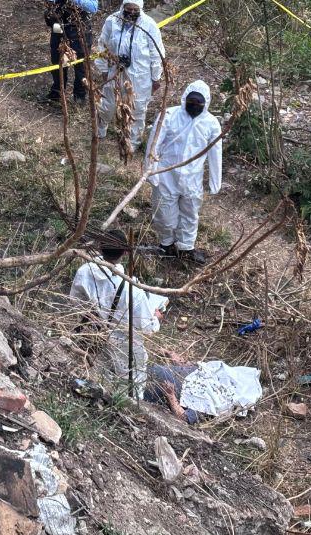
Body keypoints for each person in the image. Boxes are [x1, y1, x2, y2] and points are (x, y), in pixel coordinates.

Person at [69, 239, 166, 399]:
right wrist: (156, 317)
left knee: (98, 372)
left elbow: (74, 302)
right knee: (131, 383)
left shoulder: (84, 271)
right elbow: (147, 327)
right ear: (125, 252)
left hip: (92, 332)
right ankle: (124, 410)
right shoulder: (132, 289)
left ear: (100, 246)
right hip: (124, 342)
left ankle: (95, 399)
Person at [144, 79, 223, 263]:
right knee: (164, 212)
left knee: (190, 213)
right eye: (191, 102)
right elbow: (153, 144)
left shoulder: (211, 124)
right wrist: (151, 171)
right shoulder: (169, 115)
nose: (194, 106)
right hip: (166, 175)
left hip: (192, 179)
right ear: (184, 98)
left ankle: (186, 248)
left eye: (198, 104)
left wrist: (214, 181)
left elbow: (215, 153)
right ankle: (166, 243)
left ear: (206, 104)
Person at [95, 0, 164, 152]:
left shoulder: (149, 25)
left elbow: (157, 54)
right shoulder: (112, 21)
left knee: (138, 110)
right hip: (115, 72)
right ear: (123, 7)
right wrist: (104, 69)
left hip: (140, 77)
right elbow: (102, 45)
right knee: (108, 104)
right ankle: (99, 128)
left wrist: (156, 78)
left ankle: (132, 142)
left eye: (135, 10)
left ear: (140, 9)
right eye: (128, 9)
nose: (131, 12)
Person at [34, 0, 99, 103]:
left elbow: (94, 7)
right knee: (56, 56)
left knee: (80, 62)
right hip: (58, 24)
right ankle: (57, 93)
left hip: (79, 27)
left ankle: (79, 97)